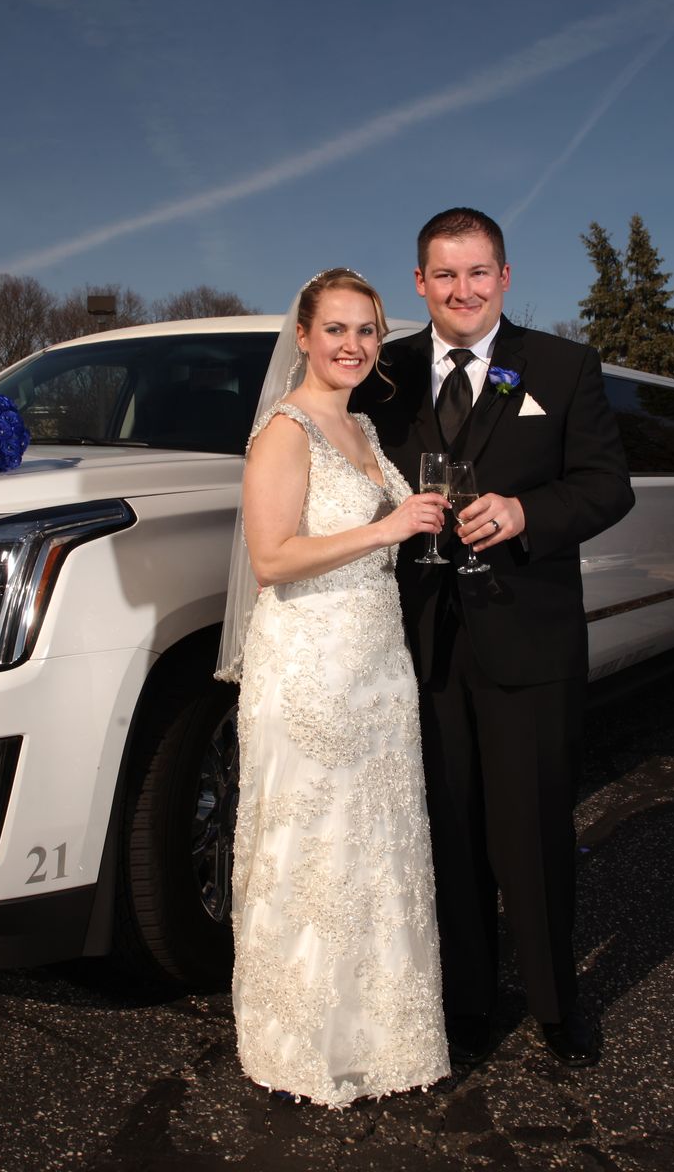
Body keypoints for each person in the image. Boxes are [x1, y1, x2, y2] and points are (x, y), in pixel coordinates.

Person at [360, 208, 634, 1069]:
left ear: (505, 278)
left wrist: (526, 513)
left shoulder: (560, 365)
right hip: (420, 644)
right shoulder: (385, 373)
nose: (462, 290)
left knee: (535, 830)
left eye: (478, 273)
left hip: (530, 638)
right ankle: (467, 1001)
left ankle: (557, 1004)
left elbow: (606, 486)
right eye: (444, 275)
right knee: (447, 829)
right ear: (419, 284)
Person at [216, 268, 452, 1106]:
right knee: (312, 848)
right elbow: (271, 559)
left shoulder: (361, 429)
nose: (353, 345)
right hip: (311, 671)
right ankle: (303, 1040)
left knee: (374, 844)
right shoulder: (285, 431)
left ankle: (382, 1032)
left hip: (375, 666)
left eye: (368, 331)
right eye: (337, 330)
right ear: (306, 337)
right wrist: (387, 525)